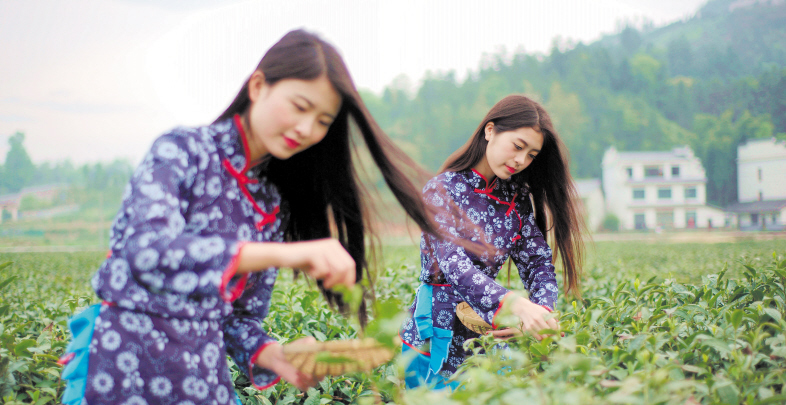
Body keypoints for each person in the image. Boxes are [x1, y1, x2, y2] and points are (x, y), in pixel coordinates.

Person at [59, 29, 439, 405]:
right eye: (300, 106)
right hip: (124, 364)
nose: (307, 129)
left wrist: (279, 355)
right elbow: (147, 252)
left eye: (323, 121)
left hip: (199, 377)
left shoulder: (270, 202)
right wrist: (287, 254)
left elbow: (237, 320)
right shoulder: (184, 150)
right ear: (258, 86)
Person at [398, 95, 585, 389]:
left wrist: (540, 314)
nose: (521, 161)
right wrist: (512, 305)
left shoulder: (516, 200)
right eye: (518, 146)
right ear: (490, 131)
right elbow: (453, 265)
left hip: (488, 339)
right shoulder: (441, 190)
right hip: (434, 339)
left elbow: (538, 263)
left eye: (532, 155)